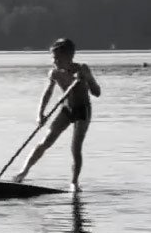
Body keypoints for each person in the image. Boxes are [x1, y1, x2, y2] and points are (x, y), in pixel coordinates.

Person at [11, 38, 101, 192]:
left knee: (75, 147)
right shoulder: (54, 73)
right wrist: (40, 114)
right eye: (53, 57)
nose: (54, 61)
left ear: (69, 57)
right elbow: (47, 93)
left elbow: (97, 92)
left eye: (57, 58)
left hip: (82, 110)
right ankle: (23, 172)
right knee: (45, 141)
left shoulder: (83, 69)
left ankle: (74, 183)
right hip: (66, 109)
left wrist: (86, 80)